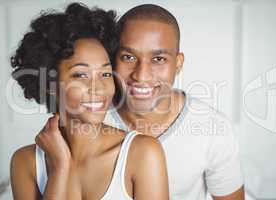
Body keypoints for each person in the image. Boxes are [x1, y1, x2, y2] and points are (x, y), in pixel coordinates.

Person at [9, 3, 169, 200]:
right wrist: (60, 168)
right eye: (81, 75)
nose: (99, 87)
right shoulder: (25, 162)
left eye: (105, 73)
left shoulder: (143, 154)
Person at [103, 4, 245, 200]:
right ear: (113, 59)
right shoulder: (90, 119)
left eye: (158, 59)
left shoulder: (213, 129)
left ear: (178, 64)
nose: (141, 75)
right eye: (128, 57)